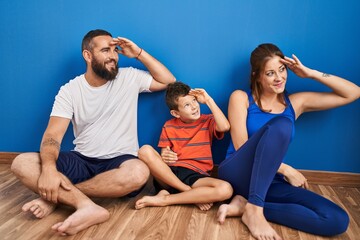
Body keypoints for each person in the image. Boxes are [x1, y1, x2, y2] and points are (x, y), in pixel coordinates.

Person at [11, 29, 175, 235]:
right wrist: (50, 170)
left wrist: (139, 53)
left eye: (115, 50)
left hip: (121, 161)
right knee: (21, 163)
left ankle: (57, 198)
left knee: (139, 172)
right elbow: (53, 136)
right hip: (81, 159)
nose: (113, 56)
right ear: (88, 56)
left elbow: (168, 81)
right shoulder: (70, 90)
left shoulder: (129, 77)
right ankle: (86, 206)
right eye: (106, 50)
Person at [216, 43, 359, 240]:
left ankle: (245, 207)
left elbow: (353, 92)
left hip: (267, 180)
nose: (279, 77)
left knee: (337, 220)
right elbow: (242, 147)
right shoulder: (241, 98)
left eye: (282, 70)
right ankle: (255, 210)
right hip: (237, 171)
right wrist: (286, 170)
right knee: (282, 124)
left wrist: (311, 74)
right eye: (270, 73)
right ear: (257, 76)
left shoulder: (295, 104)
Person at [135, 82, 233, 211]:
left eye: (194, 101)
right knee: (144, 150)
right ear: (176, 113)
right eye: (187, 105)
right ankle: (189, 194)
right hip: (171, 175)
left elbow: (225, 127)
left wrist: (208, 100)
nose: (194, 107)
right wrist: (165, 155)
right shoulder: (169, 125)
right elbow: (165, 154)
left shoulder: (208, 120)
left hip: (196, 176)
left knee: (226, 189)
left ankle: (166, 199)